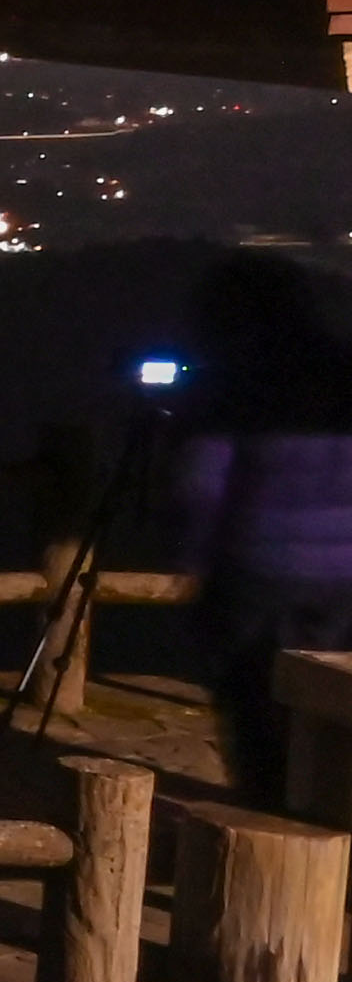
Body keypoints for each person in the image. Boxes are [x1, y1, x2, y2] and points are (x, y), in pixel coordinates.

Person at [170, 251, 352, 813]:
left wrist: (193, 558)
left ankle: (267, 812)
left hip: (256, 569)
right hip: (345, 576)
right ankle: (328, 813)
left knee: (253, 696)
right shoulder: (341, 368)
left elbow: (203, 484)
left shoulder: (235, 383)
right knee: (333, 700)